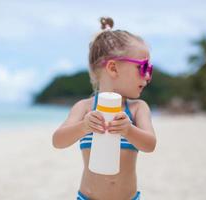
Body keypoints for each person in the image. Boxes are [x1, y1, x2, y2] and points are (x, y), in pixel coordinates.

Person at [52, 17, 157, 200]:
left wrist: (129, 130)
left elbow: (150, 144)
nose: (147, 76)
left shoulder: (137, 109)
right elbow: (58, 141)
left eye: (150, 69)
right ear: (113, 68)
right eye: (142, 67)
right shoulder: (84, 108)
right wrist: (83, 127)